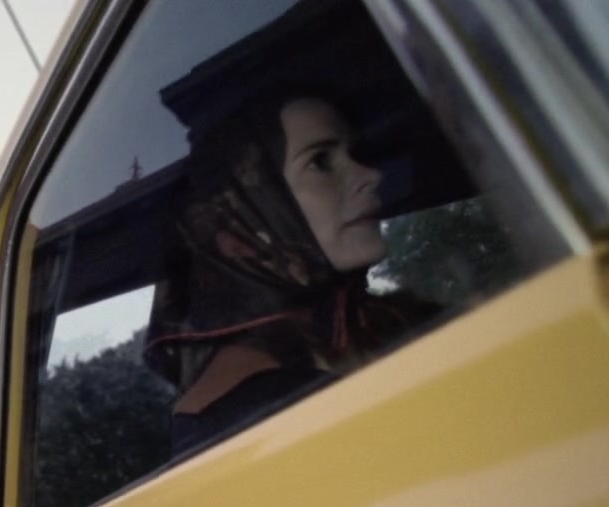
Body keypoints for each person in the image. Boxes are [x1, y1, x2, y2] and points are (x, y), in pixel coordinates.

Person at [146, 92, 437, 455]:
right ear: (243, 232)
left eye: (354, 155)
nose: (371, 175)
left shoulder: (390, 320)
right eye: (320, 161)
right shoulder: (238, 421)